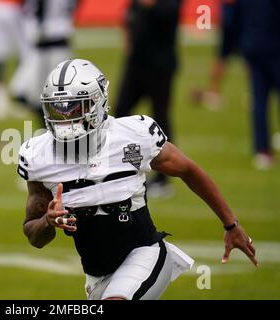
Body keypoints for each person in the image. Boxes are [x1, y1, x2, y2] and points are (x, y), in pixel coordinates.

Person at [18, 59, 257, 300]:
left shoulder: (134, 135)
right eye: (57, 110)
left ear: (97, 102)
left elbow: (189, 170)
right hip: (96, 277)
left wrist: (231, 225)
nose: (65, 119)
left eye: (73, 108)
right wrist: (48, 221)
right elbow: (34, 236)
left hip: (146, 254)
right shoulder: (39, 156)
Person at [114, 0, 182, 198]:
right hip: (136, 64)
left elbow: (166, 15)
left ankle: (163, 179)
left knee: (160, 117)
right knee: (120, 111)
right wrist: (128, 41)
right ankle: (122, 168)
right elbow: (128, 17)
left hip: (160, 65)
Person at [10, 0, 78, 127]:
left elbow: (38, 10)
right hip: (60, 39)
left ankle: (50, 129)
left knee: (41, 95)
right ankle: (51, 128)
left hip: (46, 43)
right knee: (54, 94)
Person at [232, 0, 280, 170]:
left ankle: (262, 150)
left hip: (253, 45)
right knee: (259, 101)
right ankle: (263, 149)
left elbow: (235, 17)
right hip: (273, 46)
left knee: (259, 100)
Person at [190, 0, 240, 111]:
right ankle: (213, 92)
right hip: (234, 11)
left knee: (223, 55)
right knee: (223, 55)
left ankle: (213, 92)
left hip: (232, 11)